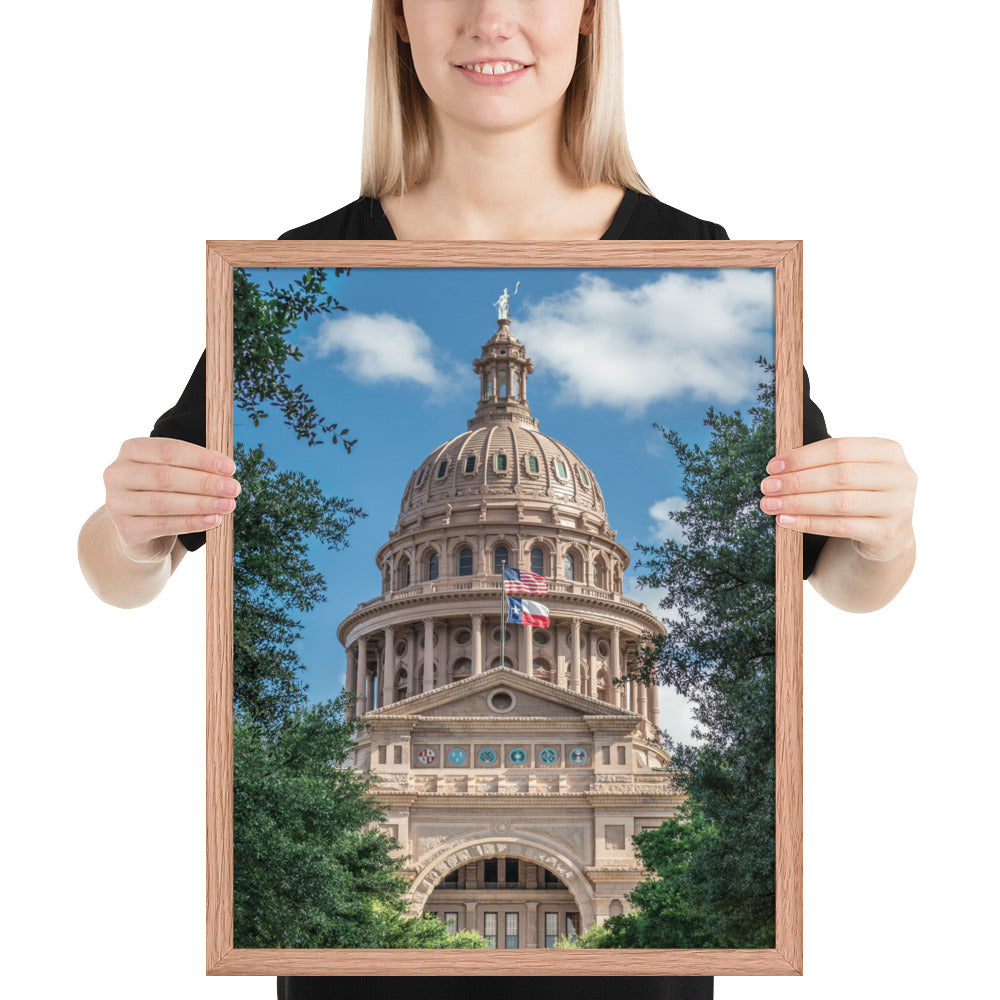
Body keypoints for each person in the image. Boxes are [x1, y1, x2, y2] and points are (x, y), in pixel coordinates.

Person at [78, 1, 917, 998]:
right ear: (395, 20)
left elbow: (847, 577)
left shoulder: (703, 250)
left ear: (591, 19)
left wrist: (884, 530)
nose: (492, 18)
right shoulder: (289, 262)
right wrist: (131, 529)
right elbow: (119, 567)